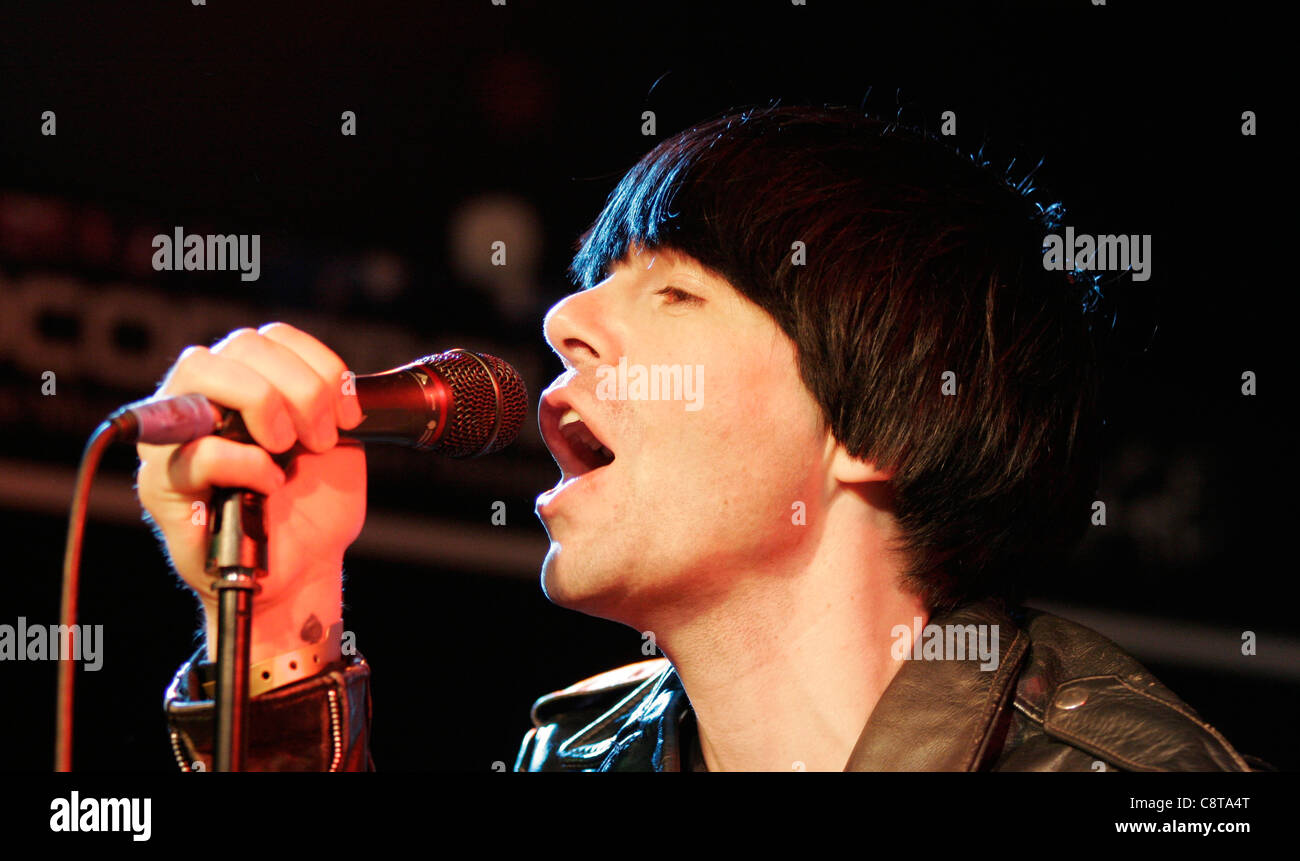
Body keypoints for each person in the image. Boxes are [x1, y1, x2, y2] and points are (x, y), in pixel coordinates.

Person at [144, 105, 1258, 772]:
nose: (561, 322)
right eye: (588, 284)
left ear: (879, 421)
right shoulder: (579, 756)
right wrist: (279, 621)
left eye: (674, 292)